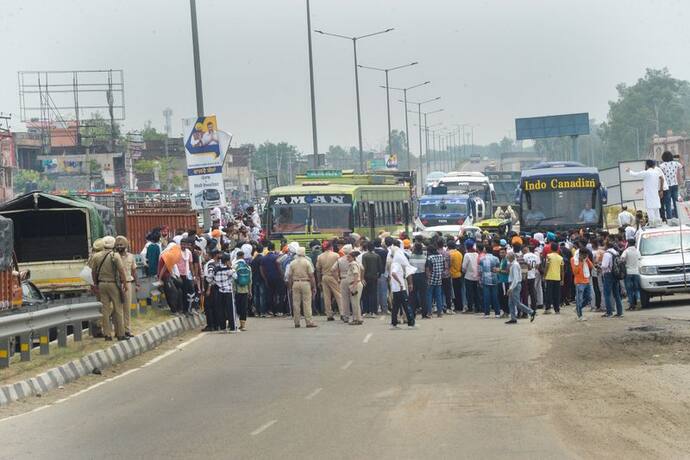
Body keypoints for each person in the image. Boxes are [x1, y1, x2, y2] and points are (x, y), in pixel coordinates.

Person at [89, 236, 127, 341]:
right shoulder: (115, 256)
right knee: (118, 309)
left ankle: (107, 334)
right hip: (113, 284)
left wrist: (95, 284)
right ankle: (120, 334)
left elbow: (93, 272)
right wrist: (125, 284)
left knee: (104, 310)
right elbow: (121, 271)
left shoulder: (96, 256)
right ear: (113, 245)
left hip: (101, 285)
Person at [288, 247, 317, 328]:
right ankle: (309, 322)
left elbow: (289, 276)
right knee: (307, 303)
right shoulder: (307, 262)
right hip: (305, 283)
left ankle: (296, 322)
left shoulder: (292, 263)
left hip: (295, 283)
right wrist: (313, 286)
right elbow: (311, 276)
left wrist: (290, 287)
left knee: (296, 303)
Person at [627, 160, 664, 224]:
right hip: (655, 194)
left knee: (650, 210)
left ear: (647, 165)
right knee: (656, 210)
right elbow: (650, 183)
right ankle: (658, 223)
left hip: (649, 195)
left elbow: (635, 174)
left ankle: (652, 223)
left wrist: (629, 171)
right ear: (653, 165)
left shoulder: (647, 173)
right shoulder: (656, 173)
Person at [115, 236, 137, 338]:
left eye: (121, 245)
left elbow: (134, 271)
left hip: (127, 283)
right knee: (117, 309)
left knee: (127, 308)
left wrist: (137, 283)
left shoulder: (131, 256)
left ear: (126, 245)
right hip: (116, 284)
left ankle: (127, 330)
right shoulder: (114, 257)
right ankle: (118, 331)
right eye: (118, 245)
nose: (119, 247)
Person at [505, 252, 536, 324]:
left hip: (515, 285)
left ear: (510, 258)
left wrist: (511, 288)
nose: (507, 259)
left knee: (517, 303)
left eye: (508, 257)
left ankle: (531, 312)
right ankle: (513, 318)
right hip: (514, 284)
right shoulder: (513, 264)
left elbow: (516, 278)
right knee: (511, 303)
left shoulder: (515, 265)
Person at [390, 248, 415, 328]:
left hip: (396, 289)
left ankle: (394, 323)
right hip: (400, 288)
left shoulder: (395, 263)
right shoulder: (396, 264)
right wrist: (400, 283)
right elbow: (393, 273)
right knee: (406, 305)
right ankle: (411, 322)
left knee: (395, 307)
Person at [316, 242, 341, 321]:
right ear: (330, 247)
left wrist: (319, 281)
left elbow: (318, 270)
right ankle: (343, 313)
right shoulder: (336, 255)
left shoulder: (320, 256)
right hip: (333, 277)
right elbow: (339, 267)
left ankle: (329, 314)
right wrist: (339, 278)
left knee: (327, 297)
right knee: (338, 295)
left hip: (324, 277)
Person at [213, 253, 236, 332]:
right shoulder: (228, 270)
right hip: (228, 291)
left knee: (221, 309)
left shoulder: (216, 269)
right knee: (230, 309)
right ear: (227, 261)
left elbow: (209, 278)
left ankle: (223, 327)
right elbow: (236, 276)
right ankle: (232, 327)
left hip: (219, 291)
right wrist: (231, 268)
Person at [601, 240, 624, 318]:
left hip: (608, 274)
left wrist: (599, 266)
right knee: (616, 294)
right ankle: (620, 312)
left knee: (607, 294)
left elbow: (604, 265)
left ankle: (609, 312)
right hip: (616, 274)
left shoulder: (607, 254)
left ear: (607, 246)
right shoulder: (616, 252)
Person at [260, 242, 283, 316]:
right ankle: (278, 310)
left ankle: (271, 310)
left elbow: (261, 269)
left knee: (270, 294)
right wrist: (282, 275)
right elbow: (279, 267)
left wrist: (265, 279)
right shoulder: (276, 257)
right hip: (277, 278)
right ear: (274, 248)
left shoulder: (264, 258)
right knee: (278, 294)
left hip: (269, 278)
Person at [659, 150, 683, 220]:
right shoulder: (676, 163)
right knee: (676, 202)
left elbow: (661, 177)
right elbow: (682, 165)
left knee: (668, 203)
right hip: (675, 185)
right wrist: (679, 157)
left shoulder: (662, 166)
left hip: (667, 186)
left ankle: (669, 218)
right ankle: (678, 217)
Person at [478, 243, 501, 318]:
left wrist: (480, 280)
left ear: (485, 250)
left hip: (485, 279)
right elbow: (498, 269)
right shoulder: (496, 258)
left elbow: (480, 270)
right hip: (494, 279)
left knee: (486, 296)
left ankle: (487, 313)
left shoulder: (482, 259)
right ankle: (497, 313)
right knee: (495, 296)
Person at [571, 250, 593, 320]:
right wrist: (581, 262)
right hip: (579, 282)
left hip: (587, 280)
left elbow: (591, 266)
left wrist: (587, 260)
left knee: (589, 298)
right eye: (584, 255)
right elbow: (575, 271)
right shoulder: (573, 260)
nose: (586, 257)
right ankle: (579, 316)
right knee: (579, 299)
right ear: (580, 254)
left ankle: (578, 308)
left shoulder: (586, 259)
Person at [232, 251, 252, 331]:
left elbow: (233, 279)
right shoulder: (248, 266)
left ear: (237, 256)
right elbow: (250, 280)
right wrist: (250, 291)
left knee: (236, 307)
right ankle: (243, 325)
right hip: (245, 290)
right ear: (243, 256)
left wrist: (233, 289)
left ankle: (235, 323)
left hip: (237, 290)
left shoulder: (235, 266)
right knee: (244, 307)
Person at [361, 242, 382, 318]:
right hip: (374, 277)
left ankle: (366, 310)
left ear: (367, 248)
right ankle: (373, 311)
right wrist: (378, 275)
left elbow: (364, 267)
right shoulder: (377, 256)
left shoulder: (364, 256)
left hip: (366, 277)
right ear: (373, 248)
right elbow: (380, 268)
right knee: (373, 294)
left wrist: (362, 277)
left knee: (365, 294)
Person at [408, 242, 428, 317]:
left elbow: (409, 268)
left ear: (415, 248)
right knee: (423, 295)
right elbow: (427, 269)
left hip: (413, 276)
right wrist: (427, 279)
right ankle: (424, 314)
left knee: (412, 295)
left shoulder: (410, 257)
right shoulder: (425, 257)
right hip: (422, 276)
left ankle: (412, 313)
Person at [425, 245, 445, 318]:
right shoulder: (441, 256)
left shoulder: (430, 258)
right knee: (438, 296)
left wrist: (428, 278)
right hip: (439, 278)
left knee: (429, 295)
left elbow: (428, 269)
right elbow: (444, 266)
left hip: (431, 278)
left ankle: (429, 312)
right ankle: (440, 312)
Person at [544, 242, 564, 314]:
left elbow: (547, 266)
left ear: (551, 248)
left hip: (549, 277)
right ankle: (557, 309)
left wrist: (544, 275)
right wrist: (562, 279)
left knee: (548, 293)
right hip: (557, 277)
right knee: (557, 294)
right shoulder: (560, 258)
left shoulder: (548, 256)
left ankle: (548, 308)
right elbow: (562, 270)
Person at [345, 250, 364, 325]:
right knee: (355, 302)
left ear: (353, 257)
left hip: (355, 284)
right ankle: (358, 318)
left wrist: (354, 285)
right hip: (354, 284)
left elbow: (356, 274)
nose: (347, 259)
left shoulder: (353, 264)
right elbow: (362, 269)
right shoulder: (355, 263)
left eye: (349, 257)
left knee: (355, 303)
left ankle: (356, 319)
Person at [621, 239, 641, 310]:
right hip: (636, 272)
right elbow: (639, 260)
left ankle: (632, 305)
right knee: (636, 289)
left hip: (628, 272)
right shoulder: (637, 251)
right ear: (634, 244)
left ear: (628, 243)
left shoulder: (626, 251)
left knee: (629, 290)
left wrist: (625, 263)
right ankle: (638, 300)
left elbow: (622, 259)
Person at [461, 239, 480, 313]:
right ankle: (477, 307)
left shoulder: (467, 255)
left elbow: (464, 267)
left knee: (469, 293)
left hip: (468, 276)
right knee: (476, 292)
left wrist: (464, 272)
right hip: (476, 276)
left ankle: (470, 307)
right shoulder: (477, 254)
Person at [448, 241, 464, 312]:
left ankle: (456, 307)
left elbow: (449, 264)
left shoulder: (450, 254)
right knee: (459, 292)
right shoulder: (459, 253)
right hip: (459, 274)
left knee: (453, 292)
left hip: (452, 275)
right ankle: (460, 306)